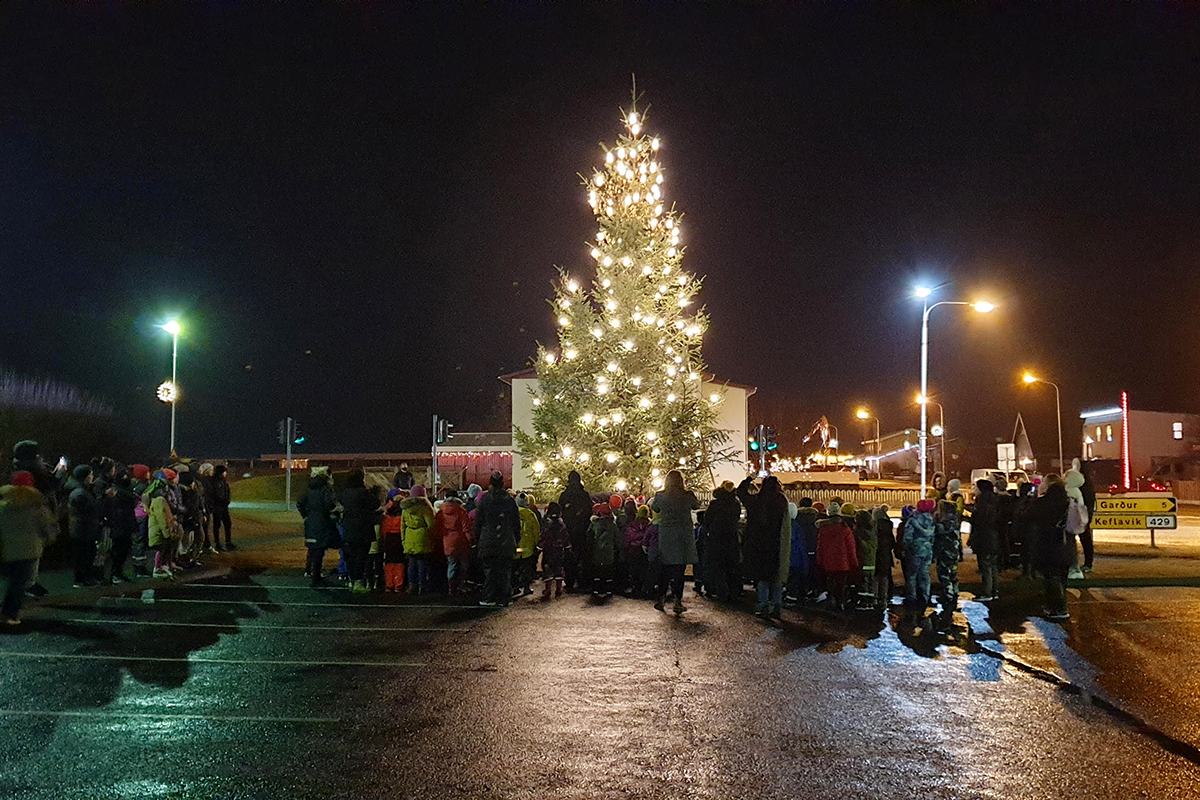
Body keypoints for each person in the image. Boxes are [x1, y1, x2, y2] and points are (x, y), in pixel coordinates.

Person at [0, 472, 58, 625]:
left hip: (5, 549)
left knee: (10, 581)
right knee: (18, 583)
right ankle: (10, 614)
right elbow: (48, 528)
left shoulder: (4, 504)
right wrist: (47, 540)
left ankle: (7, 611)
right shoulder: (37, 506)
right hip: (29, 550)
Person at [736, 476, 789, 619]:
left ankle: (764, 605)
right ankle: (777, 605)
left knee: (762, 576)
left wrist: (749, 479)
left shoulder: (756, 501)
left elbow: (740, 492)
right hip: (776, 541)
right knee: (776, 575)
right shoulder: (781, 501)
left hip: (758, 542)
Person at [652, 470, 700, 615]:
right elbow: (696, 506)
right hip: (683, 535)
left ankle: (660, 599)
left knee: (665, 569)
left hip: (667, 534)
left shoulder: (660, 496)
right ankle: (677, 602)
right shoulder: (687, 495)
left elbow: (655, 508)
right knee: (679, 569)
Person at [474, 471, 518, 607]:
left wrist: (477, 540)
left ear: (490, 484)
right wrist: (516, 539)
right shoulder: (509, 501)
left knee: (490, 571)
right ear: (503, 484)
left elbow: (478, 523)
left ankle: (489, 597)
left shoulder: (485, 501)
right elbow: (516, 523)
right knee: (505, 571)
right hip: (506, 540)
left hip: (488, 540)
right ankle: (504, 597)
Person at [1032, 478, 1072, 620]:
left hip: (1047, 544)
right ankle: (1057, 606)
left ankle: (1058, 608)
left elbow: (1029, 516)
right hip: (1065, 543)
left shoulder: (1043, 503)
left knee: (1051, 577)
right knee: (1061, 578)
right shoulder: (1069, 502)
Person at [297, 470, 340, 587]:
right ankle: (316, 578)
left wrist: (305, 516)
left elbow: (300, 503)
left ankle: (312, 573)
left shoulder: (309, 490)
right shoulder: (325, 490)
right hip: (322, 522)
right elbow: (329, 505)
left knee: (313, 549)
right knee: (320, 551)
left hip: (311, 522)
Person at [702, 481, 742, 603]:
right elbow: (737, 517)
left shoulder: (715, 503)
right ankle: (734, 591)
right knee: (732, 565)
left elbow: (707, 519)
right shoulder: (735, 503)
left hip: (716, 536)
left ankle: (721, 590)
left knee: (717, 565)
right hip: (731, 535)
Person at [341, 470, 380, 594]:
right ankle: (358, 581)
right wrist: (374, 493)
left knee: (351, 555)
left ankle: (352, 581)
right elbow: (375, 504)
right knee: (361, 556)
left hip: (349, 528)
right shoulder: (363, 493)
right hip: (363, 528)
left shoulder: (345, 493)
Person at [815, 502, 858, 610]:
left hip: (828, 562)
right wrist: (854, 562)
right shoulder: (845, 528)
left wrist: (820, 560)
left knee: (830, 583)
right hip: (843, 563)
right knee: (841, 584)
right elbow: (851, 547)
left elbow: (820, 547)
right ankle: (840, 603)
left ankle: (831, 600)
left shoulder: (823, 528)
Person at [66, 464, 102, 587]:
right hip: (82, 529)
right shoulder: (79, 493)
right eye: (90, 474)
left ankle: (85, 578)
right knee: (83, 555)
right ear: (85, 476)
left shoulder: (81, 490)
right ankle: (81, 579)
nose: (92, 476)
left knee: (86, 554)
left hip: (83, 528)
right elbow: (86, 509)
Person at [557, 470, 592, 592]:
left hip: (569, 530)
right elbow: (589, 510)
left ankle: (570, 581)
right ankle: (583, 581)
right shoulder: (584, 495)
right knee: (582, 556)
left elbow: (561, 510)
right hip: (581, 530)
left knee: (569, 556)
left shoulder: (565, 495)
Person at [434, 490, 473, 597]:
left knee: (451, 564)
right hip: (461, 541)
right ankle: (461, 587)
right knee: (463, 565)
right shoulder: (461, 511)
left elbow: (437, 529)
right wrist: (470, 540)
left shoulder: (441, 512)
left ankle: (451, 588)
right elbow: (466, 528)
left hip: (447, 541)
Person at [967, 479, 1001, 601]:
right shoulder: (994, 501)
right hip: (993, 537)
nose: (974, 490)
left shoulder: (982, 503)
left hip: (984, 538)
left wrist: (968, 517)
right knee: (993, 565)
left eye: (976, 488)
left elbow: (980, 520)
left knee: (986, 565)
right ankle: (994, 591)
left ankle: (987, 592)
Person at [903, 499, 937, 615]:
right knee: (924, 574)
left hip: (915, 550)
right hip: (928, 550)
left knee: (912, 575)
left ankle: (911, 597)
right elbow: (933, 537)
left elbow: (908, 537)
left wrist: (906, 548)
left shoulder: (912, 520)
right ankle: (925, 596)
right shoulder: (931, 520)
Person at [401, 484, 436, 595]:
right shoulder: (425, 508)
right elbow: (431, 525)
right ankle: (422, 586)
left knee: (411, 563)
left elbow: (402, 526)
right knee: (422, 563)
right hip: (422, 536)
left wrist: (403, 540)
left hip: (409, 536)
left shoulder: (405, 509)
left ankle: (412, 585)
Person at [933, 490, 962, 620]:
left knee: (944, 573)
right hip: (954, 552)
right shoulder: (955, 522)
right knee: (953, 573)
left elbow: (937, 534)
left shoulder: (943, 524)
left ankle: (948, 595)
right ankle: (954, 592)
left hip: (945, 552)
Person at [146, 472, 180, 579]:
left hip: (162, 529)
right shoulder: (159, 500)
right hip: (159, 529)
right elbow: (161, 517)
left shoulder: (158, 500)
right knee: (161, 548)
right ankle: (157, 568)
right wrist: (166, 531)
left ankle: (165, 566)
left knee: (167, 547)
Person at [787, 497, 819, 603]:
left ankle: (795, 595)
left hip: (798, 553)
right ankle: (809, 592)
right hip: (813, 550)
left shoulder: (796, 522)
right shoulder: (816, 520)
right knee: (810, 573)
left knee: (796, 575)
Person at [108, 473, 139, 583]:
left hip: (124, 525)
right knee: (119, 551)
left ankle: (118, 573)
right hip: (120, 526)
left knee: (123, 550)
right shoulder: (120, 495)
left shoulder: (123, 493)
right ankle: (115, 574)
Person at [587, 502, 619, 597]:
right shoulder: (613, 525)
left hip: (597, 551)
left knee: (597, 571)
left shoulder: (594, 524)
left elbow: (589, 536)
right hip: (609, 552)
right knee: (608, 571)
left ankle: (596, 590)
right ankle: (608, 590)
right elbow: (617, 538)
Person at [538, 502, 569, 599]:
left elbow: (544, 535)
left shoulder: (547, 523)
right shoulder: (561, 523)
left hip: (548, 549)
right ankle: (558, 588)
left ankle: (548, 589)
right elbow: (565, 536)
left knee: (547, 568)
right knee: (558, 567)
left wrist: (539, 547)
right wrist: (567, 546)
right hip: (559, 549)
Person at [1064, 467, 1089, 580]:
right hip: (1074, 525)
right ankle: (1074, 567)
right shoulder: (1078, 493)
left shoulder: (1070, 492)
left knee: (1069, 546)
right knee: (1071, 545)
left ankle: (1073, 568)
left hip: (1068, 524)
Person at [379, 490, 406, 592]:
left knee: (389, 561)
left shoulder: (386, 514)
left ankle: (389, 584)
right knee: (399, 562)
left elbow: (383, 529)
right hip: (399, 537)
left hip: (389, 538)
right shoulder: (403, 514)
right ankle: (399, 584)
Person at [621, 504, 651, 597]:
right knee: (643, 569)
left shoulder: (633, 524)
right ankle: (644, 588)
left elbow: (629, 536)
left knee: (634, 570)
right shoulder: (650, 524)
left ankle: (636, 588)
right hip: (645, 551)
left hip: (633, 550)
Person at [129, 464, 153, 577]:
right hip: (141, 515)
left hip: (139, 514)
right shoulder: (142, 487)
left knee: (139, 541)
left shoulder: (136, 485)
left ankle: (138, 565)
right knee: (140, 541)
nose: (149, 474)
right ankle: (139, 566)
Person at [514, 494, 540, 596]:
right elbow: (536, 530)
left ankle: (515, 587)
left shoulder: (513, 513)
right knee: (526, 568)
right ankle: (526, 588)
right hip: (527, 546)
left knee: (515, 568)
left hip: (516, 545)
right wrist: (536, 543)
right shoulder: (530, 514)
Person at [854, 508, 877, 610]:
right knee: (871, 581)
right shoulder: (872, 531)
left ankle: (863, 602)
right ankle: (871, 601)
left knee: (863, 581)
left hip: (862, 560)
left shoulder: (858, 532)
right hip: (872, 560)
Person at [873, 505, 895, 609]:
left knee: (876, 576)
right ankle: (884, 597)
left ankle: (875, 597)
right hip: (886, 555)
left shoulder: (873, 526)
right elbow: (892, 542)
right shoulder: (888, 525)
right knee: (885, 576)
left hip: (876, 554)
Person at [207, 464, 234, 551]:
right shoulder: (216, 481)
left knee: (227, 524)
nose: (226, 474)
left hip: (223, 507)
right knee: (217, 525)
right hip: (218, 507)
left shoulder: (223, 481)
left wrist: (227, 500)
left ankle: (228, 542)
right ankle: (218, 543)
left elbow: (227, 492)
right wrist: (224, 501)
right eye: (224, 472)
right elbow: (217, 495)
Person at [1079, 460, 1097, 574]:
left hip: (1082, 514)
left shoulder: (1083, 483)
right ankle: (1088, 563)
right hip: (1085, 515)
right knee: (1085, 540)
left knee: (1084, 539)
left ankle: (1087, 564)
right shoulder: (1088, 483)